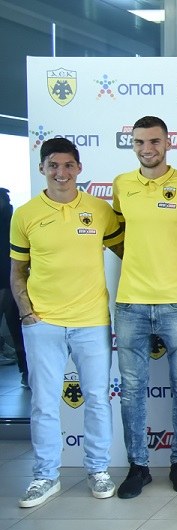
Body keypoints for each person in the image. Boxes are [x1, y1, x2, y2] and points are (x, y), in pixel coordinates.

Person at [11, 137, 124, 507]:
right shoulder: (25, 214)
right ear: (42, 168)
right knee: (44, 402)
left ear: (79, 168)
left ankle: (98, 469)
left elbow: (129, 252)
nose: (61, 173)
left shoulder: (99, 210)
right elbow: (17, 271)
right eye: (53, 165)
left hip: (91, 321)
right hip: (43, 323)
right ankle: (45, 476)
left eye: (68, 165)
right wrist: (27, 313)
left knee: (97, 399)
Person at [111, 116, 177, 499]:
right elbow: (120, 236)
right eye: (139, 142)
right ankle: (138, 466)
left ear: (168, 143)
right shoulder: (122, 185)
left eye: (154, 141)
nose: (146, 148)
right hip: (131, 302)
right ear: (132, 144)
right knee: (132, 390)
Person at [0, 186, 28, 387]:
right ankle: (25, 371)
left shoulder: (13, 219)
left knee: (18, 331)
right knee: (18, 332)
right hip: (9, 280)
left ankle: (26, 371)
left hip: (10, 281)